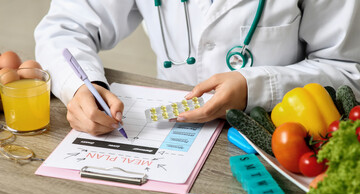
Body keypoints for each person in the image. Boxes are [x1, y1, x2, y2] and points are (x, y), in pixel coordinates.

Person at [35, 0, 360, 136]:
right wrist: (82, 85)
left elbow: (348, 68)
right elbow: (66, 27)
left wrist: (256, 87)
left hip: (279, 133)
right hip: (168, 129)